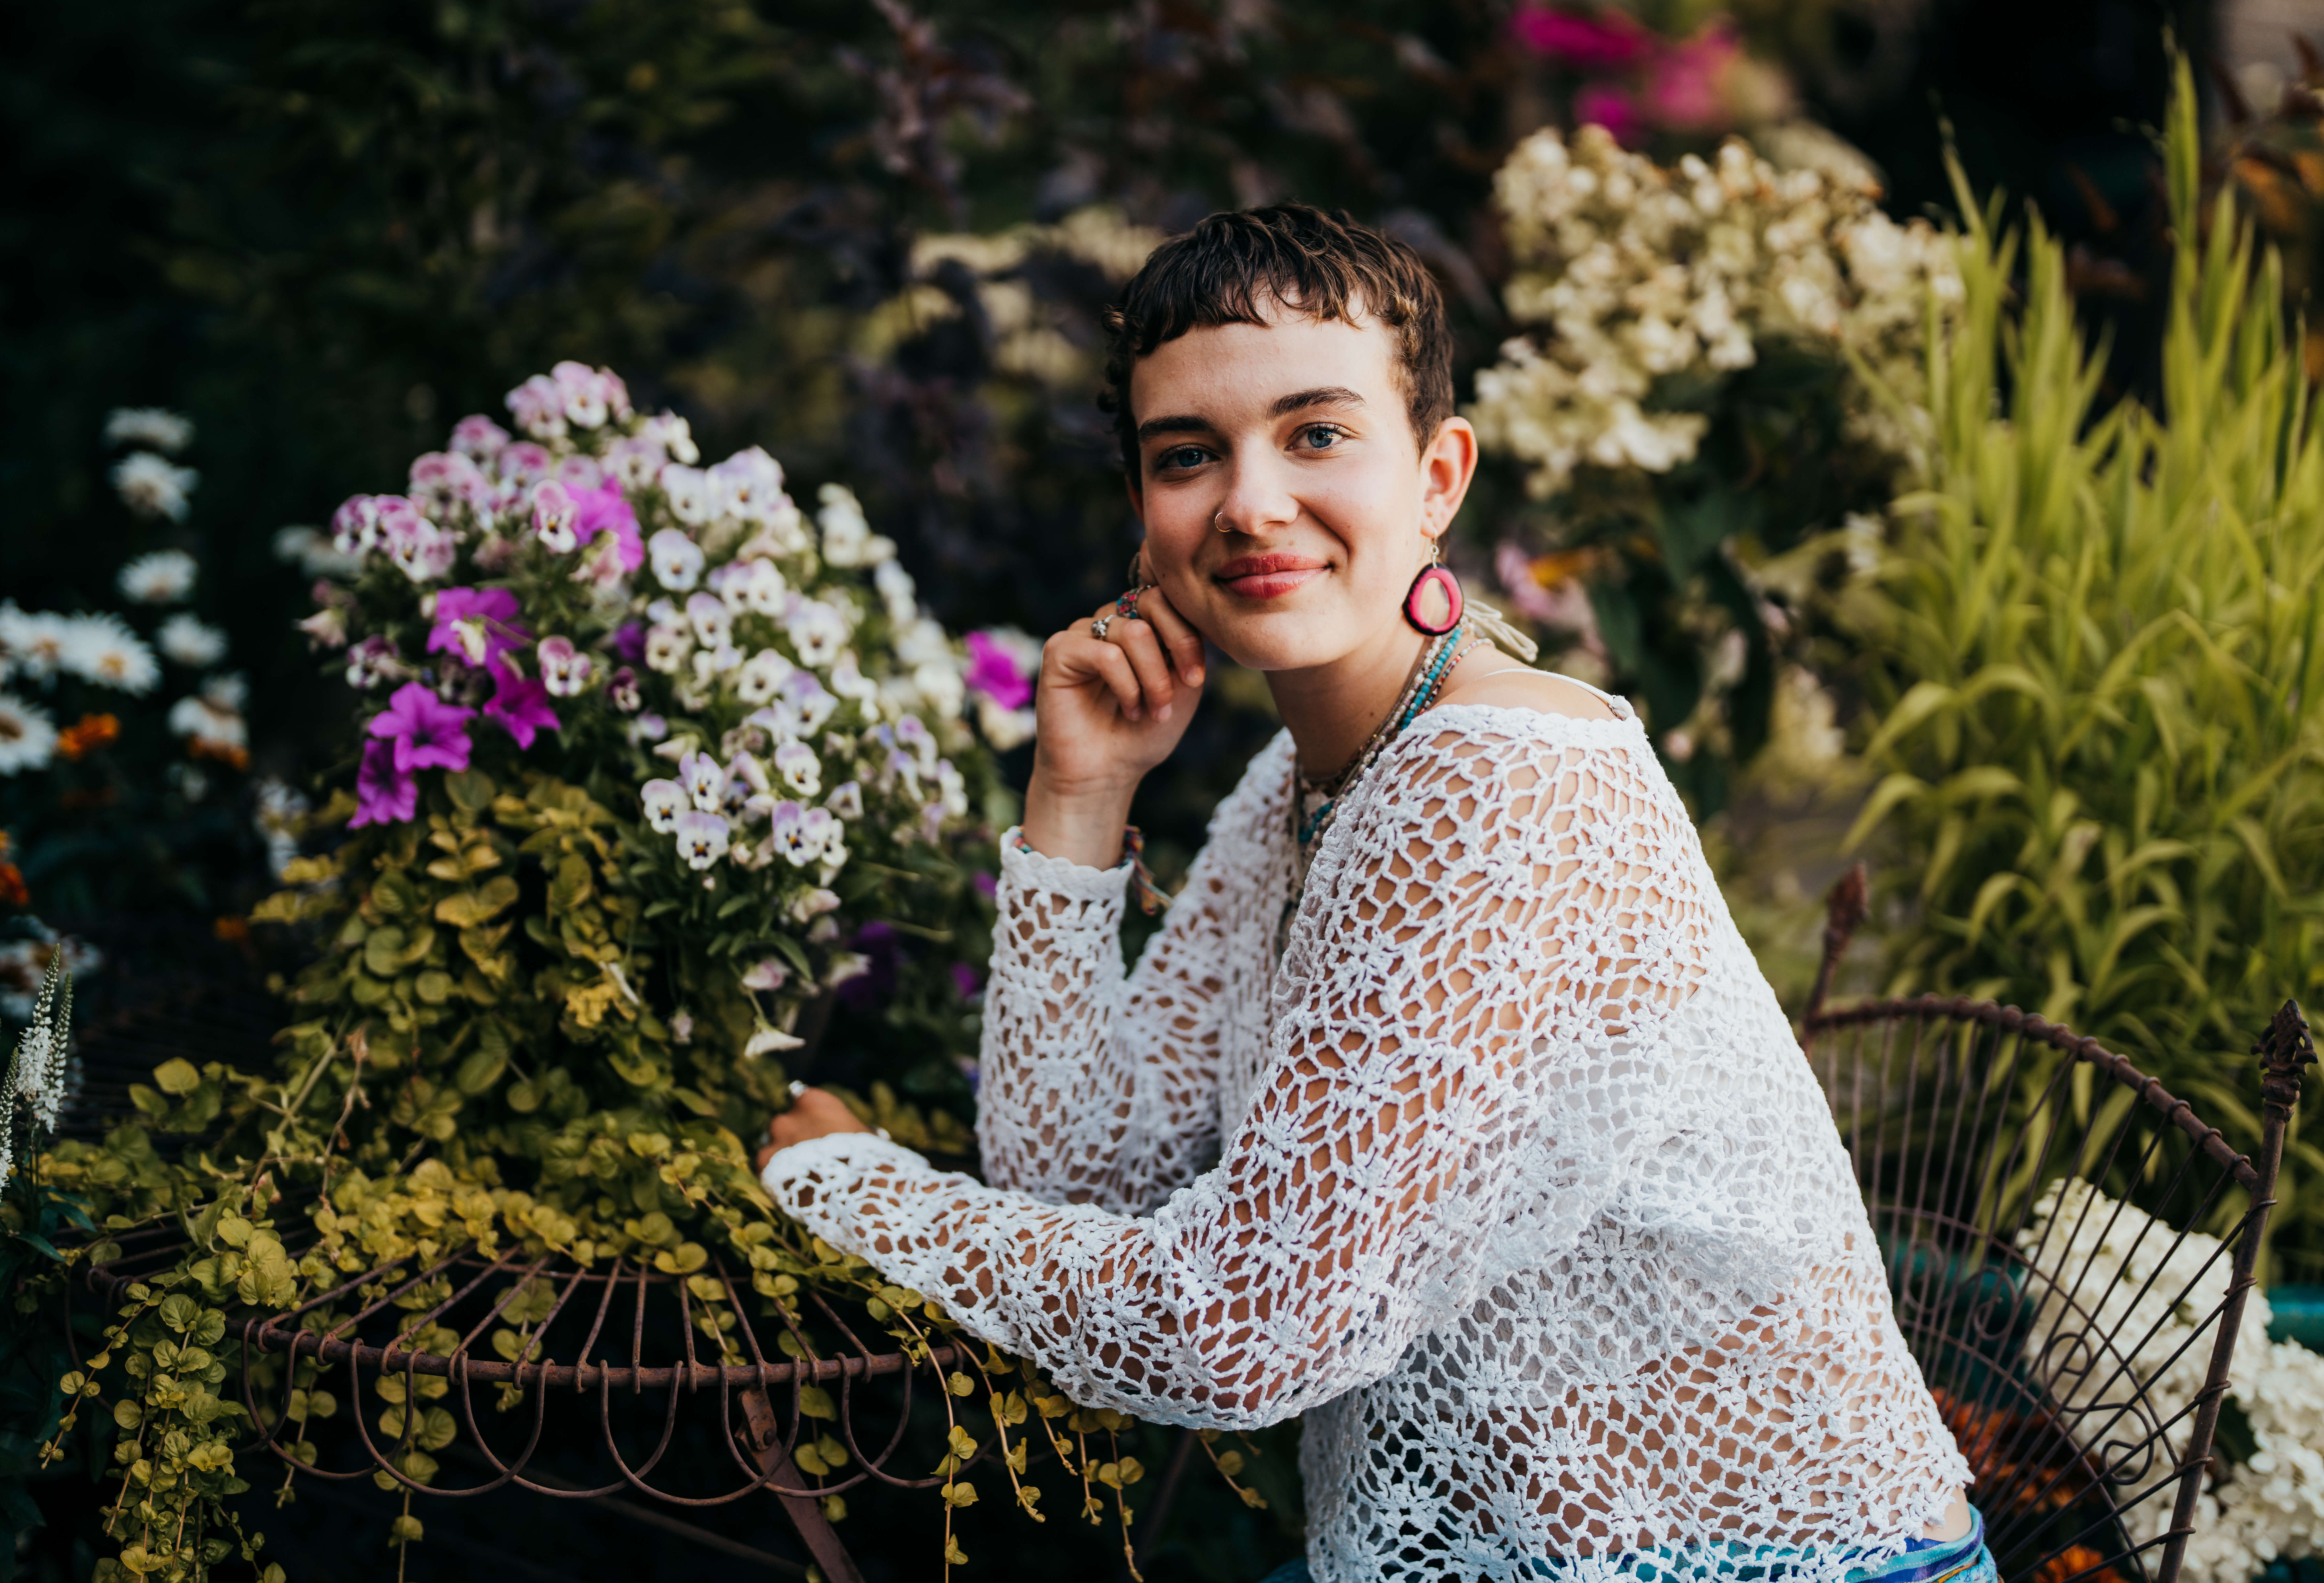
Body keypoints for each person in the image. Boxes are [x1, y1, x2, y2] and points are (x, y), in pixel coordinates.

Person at [757, 205, 1982, 1583]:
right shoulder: (1313, 774)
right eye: (1188, 456)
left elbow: (1242, 1328)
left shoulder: (1500, 784)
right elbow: (1081, 1177)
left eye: (1318, 433)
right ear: (1146, 515)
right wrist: (1081, 800)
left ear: (1440, 476)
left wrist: (850, 1186)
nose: (1252, 503)